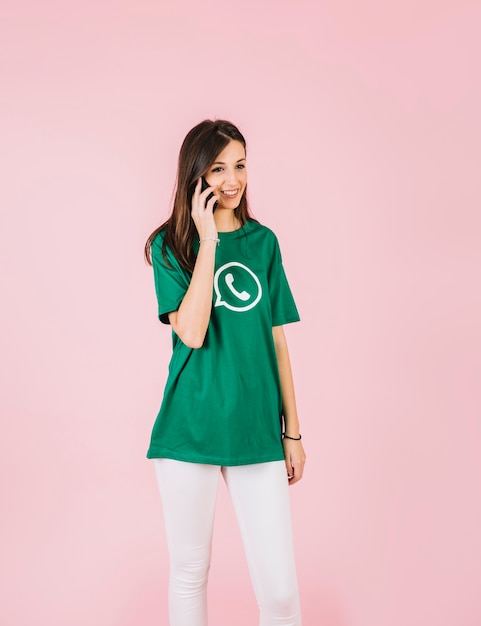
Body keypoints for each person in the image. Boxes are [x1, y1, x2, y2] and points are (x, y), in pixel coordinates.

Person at [144, 119, 306, 626]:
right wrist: (209, 241)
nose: (232, 180)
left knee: (279, 591)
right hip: (189, 427)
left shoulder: (265, 243)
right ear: (195, 175)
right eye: (218, 168)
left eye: (240, 165)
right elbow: (190, 331)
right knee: (191, 573)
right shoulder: (169, 246)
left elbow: (276, 341)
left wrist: (294, 432)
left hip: (256, 429)